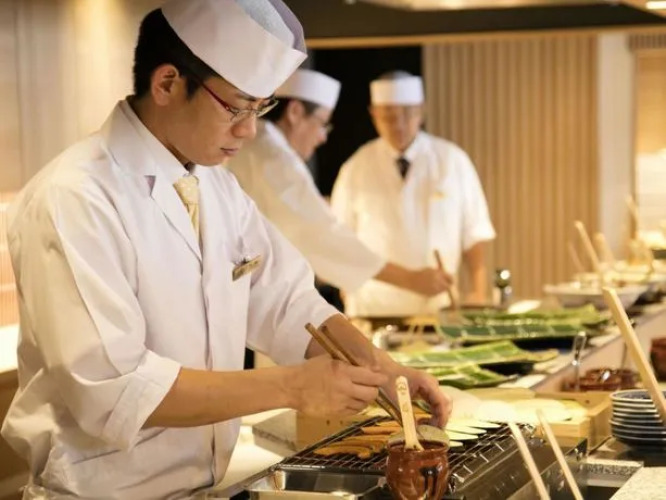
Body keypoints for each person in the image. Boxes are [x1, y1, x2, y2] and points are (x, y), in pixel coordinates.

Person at [1, 3, 451, 498]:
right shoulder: (75, 197)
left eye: (260, 108)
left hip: (206, 485)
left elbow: (287, 301)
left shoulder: (215, 186)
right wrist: (293, 387)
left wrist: (387, 375)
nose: (249, 130)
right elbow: (115, 387)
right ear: (167, 83)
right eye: (236, 107)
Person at [227, 68, 451, 310]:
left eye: (407, 114)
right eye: (322, 123)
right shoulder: (272, 156)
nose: (323, 137)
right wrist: (409, 279)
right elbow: (321, 234)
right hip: (371, 300)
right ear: (295, 112)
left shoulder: (450, 158)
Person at [331, 71, 496, 317]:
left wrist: (478, 293)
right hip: (373, 307)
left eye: (407, 113)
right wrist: (345, 289)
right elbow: (340, 240)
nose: (398, 125)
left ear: (421, 111)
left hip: (438, 307)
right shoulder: (355, 168)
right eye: (388, 116)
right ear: (374, 114)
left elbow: (474, 233)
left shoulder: (452, 161)